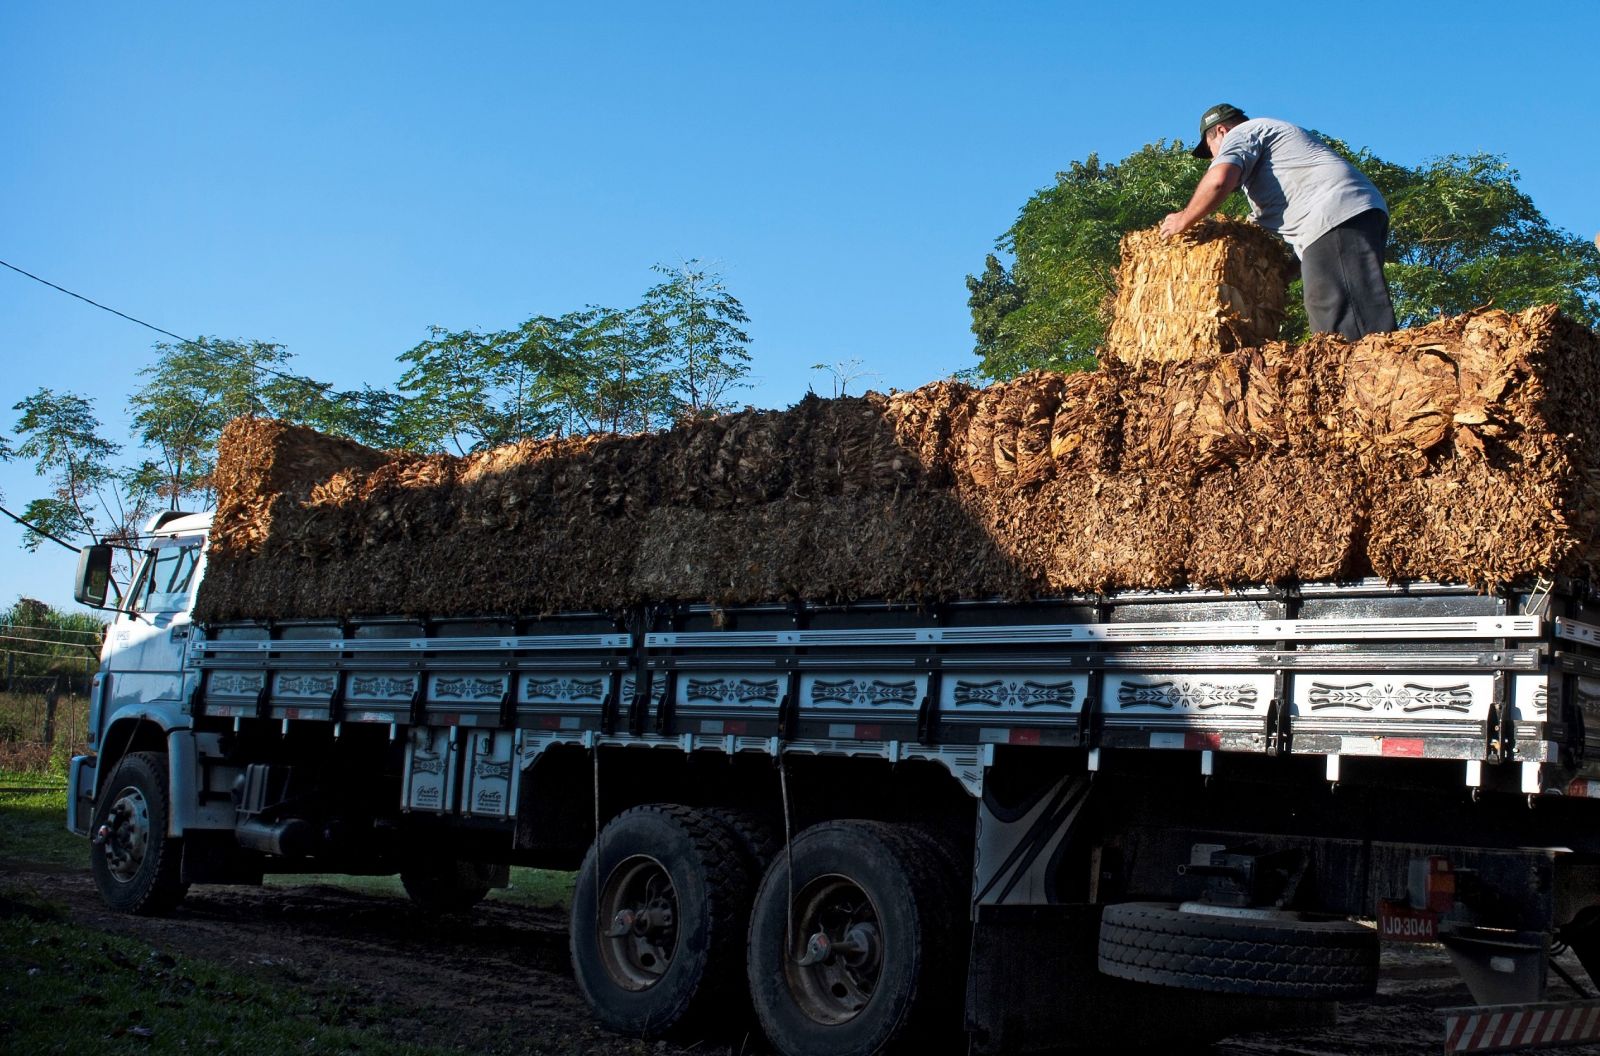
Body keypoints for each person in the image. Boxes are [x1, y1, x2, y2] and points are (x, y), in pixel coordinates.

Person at [1159, 104, 1397, 341]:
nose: (1213, 157)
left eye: (1211, 149)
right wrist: (1285, 269)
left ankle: (1369, 363)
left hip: (1335, 215)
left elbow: (1219, 180)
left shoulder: (1242, 133)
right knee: (1327, 305)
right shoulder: (1272, 152)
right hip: (1343, 217)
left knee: (1342, 321)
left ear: (1221, 131)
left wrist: (1184, 219)